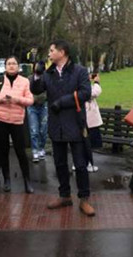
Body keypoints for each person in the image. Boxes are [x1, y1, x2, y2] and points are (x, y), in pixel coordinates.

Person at [31, 39, 95, 217]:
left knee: (80, 164)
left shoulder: (79, 71)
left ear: (62, 52)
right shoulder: (49, 73)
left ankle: (84, 198)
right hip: (56, 124)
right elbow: (36, 90)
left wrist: (62, 102)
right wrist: (37, 74)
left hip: (74, 123)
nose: (49, 54)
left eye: (52, 50)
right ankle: (65, 195)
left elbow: (85, 93)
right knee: (59, 163)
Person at [0, 56, 35, 193]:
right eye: (8, 63)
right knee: (3, 151)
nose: (11, 66)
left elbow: (30, 100)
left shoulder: (24, 81)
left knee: (21, 151)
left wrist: (17, 99)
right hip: (0, 119)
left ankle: (27, 180)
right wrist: (0, 100)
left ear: (18, 66)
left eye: (14, 63)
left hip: (17, 120)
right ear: (5, 66)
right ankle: (7, 179)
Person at [28, 60, 49, 163]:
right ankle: (35, 150)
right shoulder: (29, 79)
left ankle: (41, 148)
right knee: (34, 130)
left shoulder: (46, 78)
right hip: (32, 107)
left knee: (43, 130)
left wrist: (36, 98)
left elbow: (47, 93)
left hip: (43, 106)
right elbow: (27, 92)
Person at [83, 72, 103, 172]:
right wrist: (96, 83)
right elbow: (94, 93)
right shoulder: (83, 88)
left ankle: (80, 163)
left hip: (84, 119)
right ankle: (87, 164)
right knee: (87, 144)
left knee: (83, 143)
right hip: (87, 120)